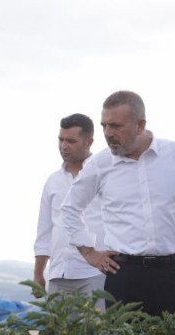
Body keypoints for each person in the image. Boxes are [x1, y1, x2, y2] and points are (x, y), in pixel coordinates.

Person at [60, 90, 175, 317]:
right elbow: (70, 209)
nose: (107, 133)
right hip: (124, 275)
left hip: (174, 273)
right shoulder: (100, 163)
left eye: (116, 126)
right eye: (104, 125)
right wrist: (89, 252)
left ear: (140, 125)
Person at [33, 113, 106, 311]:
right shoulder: (53, 181)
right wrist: (38, 274)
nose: (64, 146)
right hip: (58, 273)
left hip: (95, 273)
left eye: (71, 141)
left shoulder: (104, 174)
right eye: (61, 140)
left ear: (88, 141)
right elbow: (45, 229)